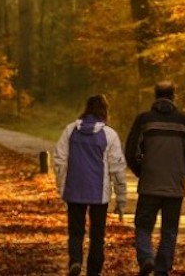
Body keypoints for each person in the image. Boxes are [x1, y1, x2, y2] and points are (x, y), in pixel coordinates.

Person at [125, 81, 185, 276]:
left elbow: (132, 151)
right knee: (169, 230)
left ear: (155, 95)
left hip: (149, 184)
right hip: (175, 186)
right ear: (174, 95)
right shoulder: (184, 121)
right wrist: (183, 173)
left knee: (143, 226)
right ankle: (162, 269)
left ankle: (146, 257)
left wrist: (142, 171)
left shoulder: (144, 120)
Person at [54, 94, 127, 276]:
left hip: (74, 189)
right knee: (97, 236)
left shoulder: (70, 131)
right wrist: (121, 197)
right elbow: (117, 168)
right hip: (99, 193)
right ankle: (94, 271)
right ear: (105, 111)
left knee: (76, 232)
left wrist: (61, 185)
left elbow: (59, 160)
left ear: (86, 109)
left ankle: (76, 261)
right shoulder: (110, 135)